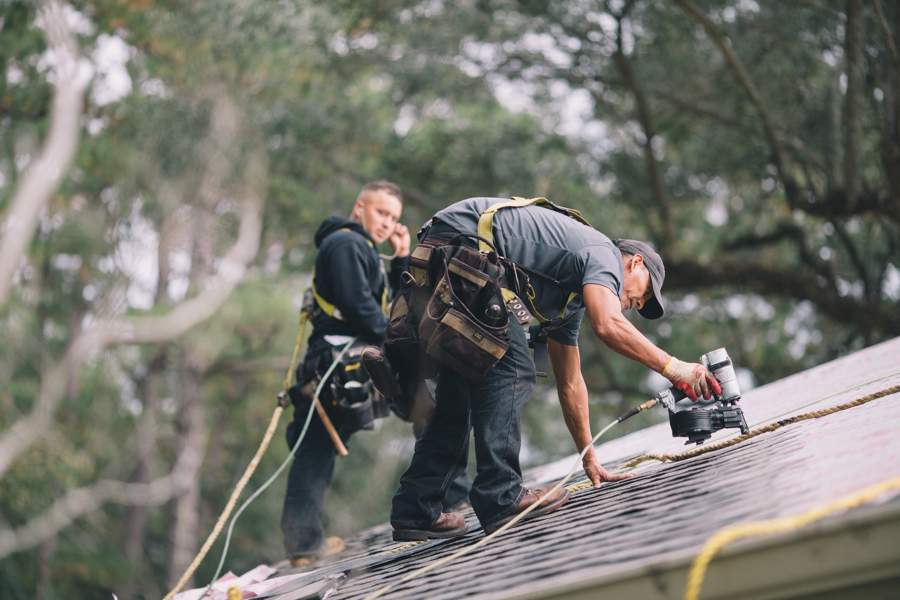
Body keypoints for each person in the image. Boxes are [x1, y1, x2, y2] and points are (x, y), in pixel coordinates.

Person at [389, 196, 721, 541]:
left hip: (442, 257)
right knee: (513, 365)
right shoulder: (603, 253)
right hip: (460, 250)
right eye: (644, 294)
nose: (637, 305)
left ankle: (417, 508)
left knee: (460, 391)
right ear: (635, 263)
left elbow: (571, 383)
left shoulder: (568, 302)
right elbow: (608, 325)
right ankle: (501, 496)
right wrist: (674, 367)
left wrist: (589, 457)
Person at [281, 181, 412, 566]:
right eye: (381, 212)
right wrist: (398, 342)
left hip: (344, 359)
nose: (387, 223)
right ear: (360, 208)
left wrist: (401, 257)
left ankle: (304, 544)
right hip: (335, 362)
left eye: (394, 218)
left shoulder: (363, 249)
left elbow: (386, 301)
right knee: (316, 448)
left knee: (317, 448)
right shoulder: (345, 244)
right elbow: (361, 307)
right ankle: (303, 544)